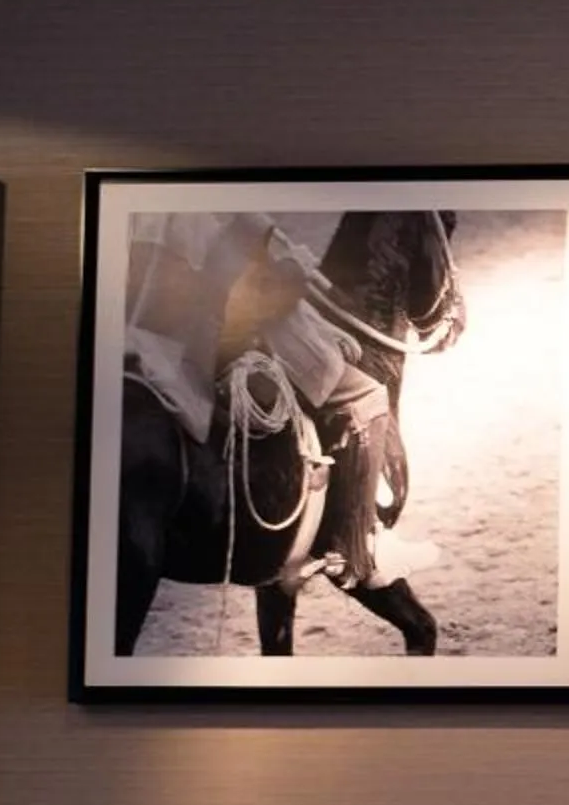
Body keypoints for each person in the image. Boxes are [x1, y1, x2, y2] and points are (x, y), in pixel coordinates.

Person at [122, 212, 397, 588]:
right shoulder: (217, 214)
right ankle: (357, 549)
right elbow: (254, 295)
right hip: (213, 340)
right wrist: (293, 274)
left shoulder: (142, 215)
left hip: (142, 334)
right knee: (369, 395)